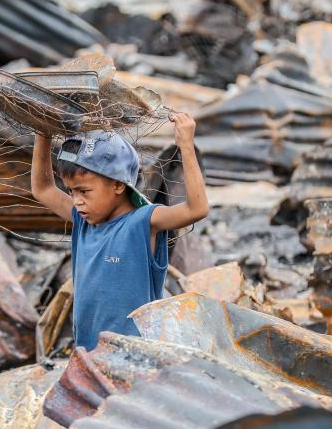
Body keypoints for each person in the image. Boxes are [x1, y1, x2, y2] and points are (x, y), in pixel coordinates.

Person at [31, 112, 209, 351]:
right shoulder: (84, 222)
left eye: (84, 191)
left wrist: (185, 146)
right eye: (71, 191)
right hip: (90, 354)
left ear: (117, 184)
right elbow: (42, 189)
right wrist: (42, 132)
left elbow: (196, 208)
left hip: (136, 358)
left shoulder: (143, 222)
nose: (76, 201)